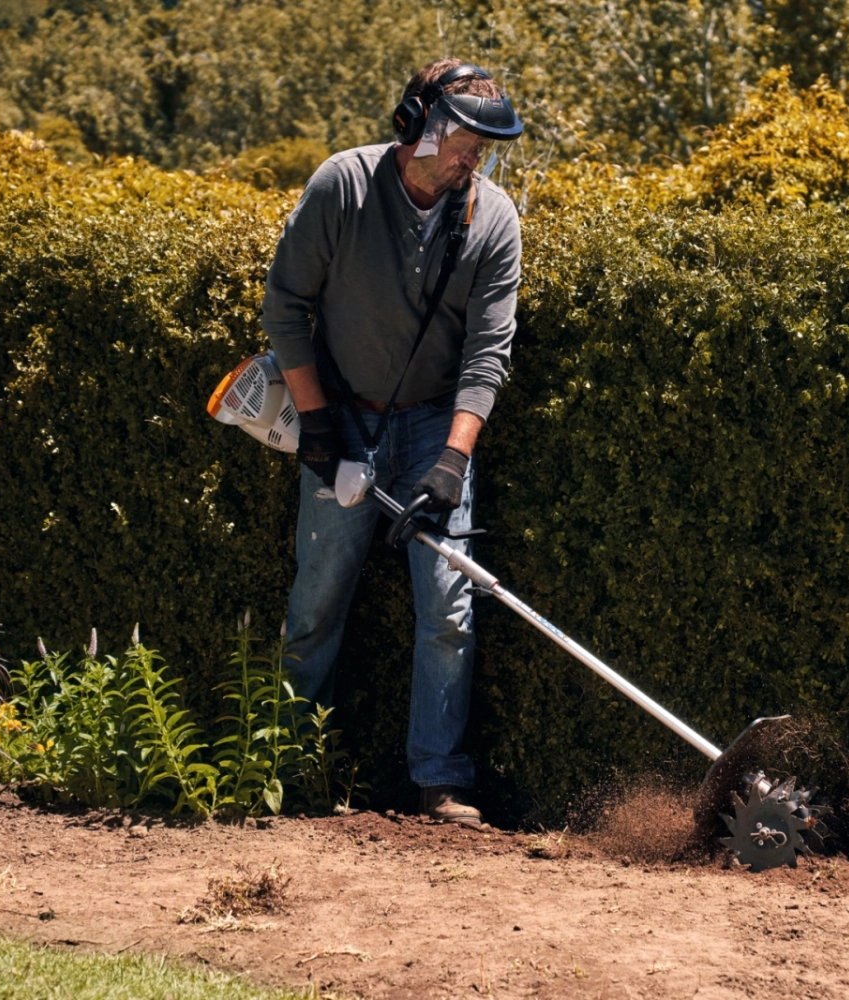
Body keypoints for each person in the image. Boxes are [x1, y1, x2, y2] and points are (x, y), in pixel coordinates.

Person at [260, 59, 523, 826]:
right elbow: (286, 308)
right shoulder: (341, 186)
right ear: (417, 126)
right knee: (316, 604)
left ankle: (438, 781)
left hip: (433, 427)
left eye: (485, 147)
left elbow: (487, 355)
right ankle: (287, 772)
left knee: (448, 608)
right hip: (341, 416)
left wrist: (452, 460)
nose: (474, 159)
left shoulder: (493, 219)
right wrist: (318, 424)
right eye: (466, 142)